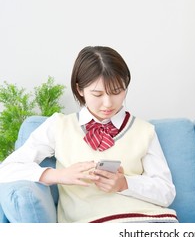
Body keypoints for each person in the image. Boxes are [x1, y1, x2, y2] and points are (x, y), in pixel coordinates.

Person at [0, 46, 177, 223]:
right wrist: (58, 176)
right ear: (80, 89)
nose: (108, 103)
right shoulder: (59, 125)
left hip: (151, 222)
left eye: (117, 92)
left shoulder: (144, 131)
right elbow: (6, 169)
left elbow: (166, 192)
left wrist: (125, 184)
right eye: (97, 94)